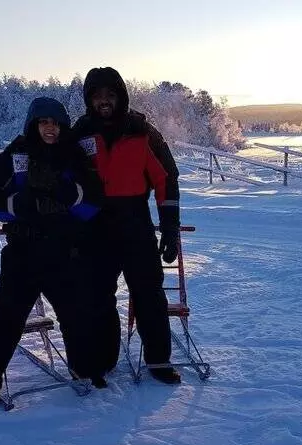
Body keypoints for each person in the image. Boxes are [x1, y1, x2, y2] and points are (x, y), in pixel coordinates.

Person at [0, 96, 105, 417]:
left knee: (77, 316)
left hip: (64, 252)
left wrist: (71, 198)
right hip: (23, 253)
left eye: (55, 122)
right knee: (4, 323)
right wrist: (18, 207)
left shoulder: (74, 156)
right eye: (43, 122)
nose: (50, 129)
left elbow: (94, 200)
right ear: (33, 124)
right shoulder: (15, 154)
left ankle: (84, 370)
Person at [73, 67, 182, 385]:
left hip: (135, 223)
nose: (104, 101)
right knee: (98, 297)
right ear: (89, 100)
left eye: (110, 94)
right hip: (95, 227)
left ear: (121, 96)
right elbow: (64, 181)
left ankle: (159, 361)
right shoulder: (79, 134)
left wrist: (170, 229)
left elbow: (166, 179)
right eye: (97, 95)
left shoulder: (142, 131)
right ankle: (102, 362)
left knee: (149, 293)